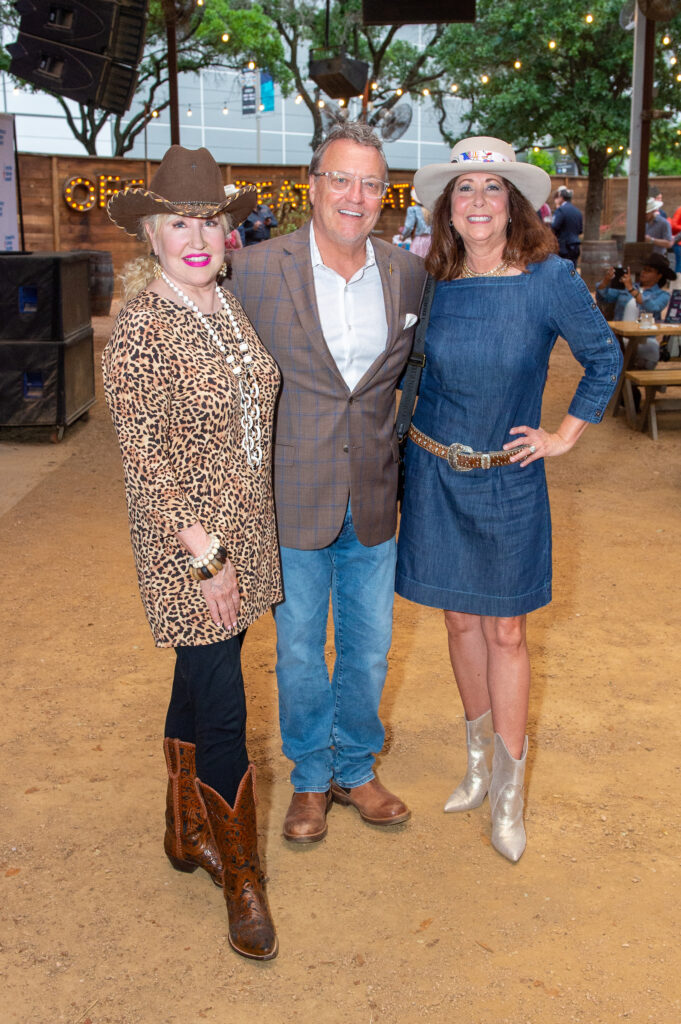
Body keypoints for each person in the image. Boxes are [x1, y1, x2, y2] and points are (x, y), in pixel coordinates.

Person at [395, 136, 622, 862]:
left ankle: (507, 793)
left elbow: (604, 358)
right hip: (433, 474)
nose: (479, 201)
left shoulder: (547, 278)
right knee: (459, 624)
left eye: (493, 188)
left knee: (505, 634)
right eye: (465, 189)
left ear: (513, 203)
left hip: (508, 479)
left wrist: (562, 436)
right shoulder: (427, 280)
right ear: (446, 208)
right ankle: (473, 765)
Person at [102, 146, 281, 960]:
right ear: (151, 234)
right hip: (192, 543)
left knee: (198, 672)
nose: (198, 236)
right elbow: (145, 459)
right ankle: (241, 878)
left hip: (242, 526)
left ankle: (184, 833)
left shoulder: (224, 307)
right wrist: (206, 555)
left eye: (208, 220)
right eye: (180, 223)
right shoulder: (143, 327)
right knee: (224, 706)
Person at [229, 123, 427, 843]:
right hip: (291, 497)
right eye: (340, 179)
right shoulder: (253, 270)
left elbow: (409, 374)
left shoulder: (406, 273)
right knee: (300, 653)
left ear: (385, 194)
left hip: (374, 496)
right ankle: (310, 778)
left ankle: (355, 767)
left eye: (370, 183)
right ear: (311, 185)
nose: (355, 195)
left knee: (371, 647)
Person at [596, 253, 676, 369]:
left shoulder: (662, 295)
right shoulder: (627, 287)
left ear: (659, 276)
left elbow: (653, 307)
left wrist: (631, 289)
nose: (643, 272)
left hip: (643, 339)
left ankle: (632, 383)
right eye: (644, 269)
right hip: (618, 336)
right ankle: (629, 385)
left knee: (651, 347)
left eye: (649, 271)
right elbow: (603, 296)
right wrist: (606, 280)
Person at [551, 186, 582, 266]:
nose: (555, 200)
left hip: (564, 248)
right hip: (575, 246)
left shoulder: (560, 210)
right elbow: (580, 230)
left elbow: (554, 227)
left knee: (562, 272)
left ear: (561, 198)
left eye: (557, 197)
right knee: (572, 272)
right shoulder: (577, 211)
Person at [399, 187, 432, 257]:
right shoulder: (433, 209)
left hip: (419, 241)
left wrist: (403, 236)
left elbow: (409, 226)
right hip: (433, 241)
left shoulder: (413, 209)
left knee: (415, 263)